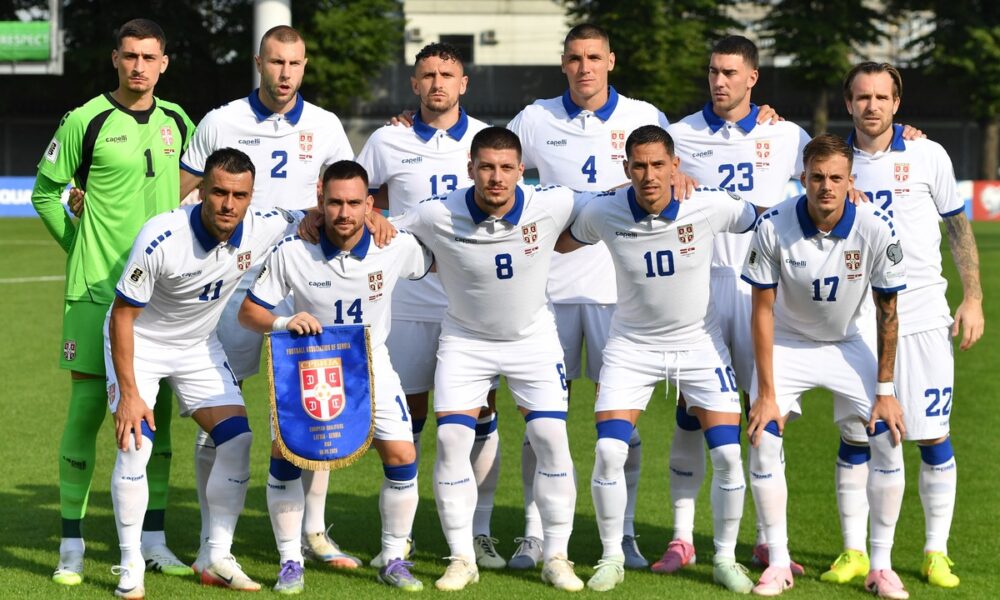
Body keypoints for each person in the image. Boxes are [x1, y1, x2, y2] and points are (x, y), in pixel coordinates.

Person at [178, 25, 357, 569]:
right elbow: (182, 194)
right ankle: (214, 538)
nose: (285, 74)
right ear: (260, 62)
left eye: (295, 64)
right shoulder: (220, 120)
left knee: (313, 409)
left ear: (305, 67)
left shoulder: (325, 126)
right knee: (221, 411)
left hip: (302, 287)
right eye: (276, 63)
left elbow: (346, 192)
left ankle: (315, 532)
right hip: (231, 288)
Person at [557, 125, 760, 593]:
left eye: (658, 165)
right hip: (632, 347)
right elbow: (562, 239)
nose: (649, 175)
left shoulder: (706, 205)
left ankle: (726, 559)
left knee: (729, 455)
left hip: (699, 345)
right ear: (627, 170)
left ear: (675, 167)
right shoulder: (605, 211)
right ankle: (611, 557)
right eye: (639, 166)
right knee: (609, 450)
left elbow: (763, 216)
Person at [30, 18, 195, 585]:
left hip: (162, 295)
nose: (139, 66)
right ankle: (71, 545)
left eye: (150, 57)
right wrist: (79, 245)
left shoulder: (179, 121)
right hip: (98, 290)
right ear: (115, 59)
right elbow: (46, 193)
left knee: (161, 421)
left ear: (164, 63)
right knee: (84, 414)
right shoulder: (85, 119)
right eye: (130, 56)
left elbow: (198, 184)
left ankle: (154, 540)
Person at [105, 148, 301, 598]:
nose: (228, 204)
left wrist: (372, 218)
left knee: (237, 439)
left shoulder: (263, 224)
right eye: (218, 192)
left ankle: (215, 554)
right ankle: (130, 561)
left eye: (239, 195)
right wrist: (131, 395)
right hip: (143, 343)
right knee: (136, 444)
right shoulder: (161, 236)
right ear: (201, 191)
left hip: (196, 346)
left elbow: (308, 216)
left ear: (251, 197)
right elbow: (121, 316)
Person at [396, 127, 585, 592]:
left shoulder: (553, 202)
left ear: (522, 171)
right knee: (453, 439)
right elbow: (382, 225)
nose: (496, 178)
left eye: (505, 168)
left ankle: (556, 555)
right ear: (470, 170)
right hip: (465, 341)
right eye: (486, 167)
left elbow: (615, 199)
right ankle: (462, 557)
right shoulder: (437, 211)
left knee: (550, 436)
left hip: (533, 340)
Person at [820, 62, 984, 590]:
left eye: (882, 97)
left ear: (897, 103)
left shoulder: (928, 154)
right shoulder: (831, 163)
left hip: (922, 316)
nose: (872, 106)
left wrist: (973, 298)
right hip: (856, 323)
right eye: (862, 97)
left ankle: (937, 552)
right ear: (848, 104)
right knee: (858, 437)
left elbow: (958, 227)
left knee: (933, 435)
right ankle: (855, 551)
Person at [238, 160, 432, 593]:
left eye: (353, 204)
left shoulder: (394, 245)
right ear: (320, 201)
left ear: (369, 205)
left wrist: (389, 223)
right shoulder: (293, 251)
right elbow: (248, 313)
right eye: (335, 203)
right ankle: (291, 562)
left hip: (371, 364)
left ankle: (394, 557)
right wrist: (285, 324)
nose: (344, 213)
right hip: (312, 367)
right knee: (285, 455)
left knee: (401, 455)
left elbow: (434, 259)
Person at [659, 35, 810, 575]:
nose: (718, 81)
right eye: (712, 72)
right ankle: (681, 538)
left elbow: (836, 177)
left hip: (764, 291)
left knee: (766, 414)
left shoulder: (787, 134)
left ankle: (771, 542)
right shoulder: (679, 134)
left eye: (729, 72)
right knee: (690, 415)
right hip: (698, 290)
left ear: (753, 78)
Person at [354, 42, 505, 570]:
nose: (437, 82)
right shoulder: (387, 139)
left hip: (473, 304)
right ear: (413, 84)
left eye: (447, 74)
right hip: (410, 302)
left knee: (479, 415)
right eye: (427, 75)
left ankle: (479, 532)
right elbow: (355, 196)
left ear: (465, 83)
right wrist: (372, 213)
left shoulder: (487, 140)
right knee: (407, 417)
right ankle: (406, 532)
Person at [743, 134, 909, 597]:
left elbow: (888, 311)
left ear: (850, 181)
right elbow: (760, 309)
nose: (826, 187)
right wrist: (767, 395)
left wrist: (886, 389)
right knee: (761, 437)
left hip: (847, 343)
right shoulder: (774, 224)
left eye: (836, 178)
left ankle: (880, 566)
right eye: (817, 177)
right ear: (803, 179)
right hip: (788, 342)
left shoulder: (876, 226)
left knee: (888, 435)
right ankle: (777, 562)